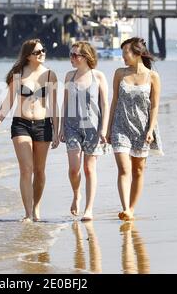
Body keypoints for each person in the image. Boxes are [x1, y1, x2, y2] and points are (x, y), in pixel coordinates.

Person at [0, 39, 59, 222]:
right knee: (26, 169)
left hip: (43, 125)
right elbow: (8, 102)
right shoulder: (17, 74)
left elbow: (54, 105)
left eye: (43, 50)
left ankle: (36, 209)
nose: (42, 53)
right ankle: (27, 213)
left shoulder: (50, 75)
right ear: (28, 56)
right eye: (38, 52)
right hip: (21, 125)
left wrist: (57, 131)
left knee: (40, 171)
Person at [106, 37, 163, 222]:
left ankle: (131, 209)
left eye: (125, 53)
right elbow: (114, 101)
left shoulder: (152, 76)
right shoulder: (119, 73)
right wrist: (108, 128)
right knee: (124, 169)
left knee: (138, 171)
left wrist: (150, 130)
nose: (123, 56)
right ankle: (125, 208)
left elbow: (154, 106)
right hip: (120, 126)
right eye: (122, 53)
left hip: (142, 128)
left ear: (137, 54)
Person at [59, 41, 109, 221]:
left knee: (89, 169)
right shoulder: (68, 76)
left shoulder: (99, 76)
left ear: (86, 57)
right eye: (70, 54)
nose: (71, 58)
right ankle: (76, 194)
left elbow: (105, 104)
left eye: (75, 55)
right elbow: (64, 103)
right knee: (74, 169)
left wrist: (104, 128)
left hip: (93, 128)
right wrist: (60, 128)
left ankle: (89, 209)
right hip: (72, 127)